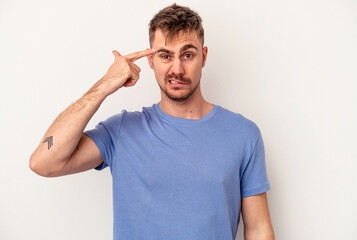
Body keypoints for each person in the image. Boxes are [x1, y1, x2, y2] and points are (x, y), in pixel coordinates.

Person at [30, 3, 274, 240]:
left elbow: (259, 229)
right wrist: (104, 85)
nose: (176, 68)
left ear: (204, 56)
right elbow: (43, 162)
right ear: (150, 61)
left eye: (187, 54)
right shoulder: (122, 131)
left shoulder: (243, 134)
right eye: (165, 56)